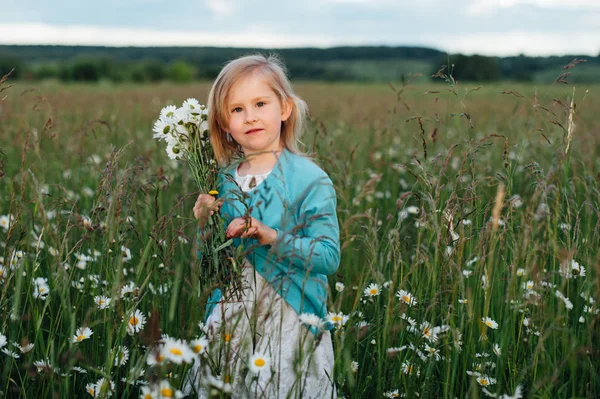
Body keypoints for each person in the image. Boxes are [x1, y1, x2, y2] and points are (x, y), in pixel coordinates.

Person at [185, 54, 340, 398]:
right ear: (224, 123)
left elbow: (328, 257)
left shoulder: (310, 180)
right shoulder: (223, 181)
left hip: (290, 318)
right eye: (236, 109)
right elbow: (209, 265)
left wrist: (271, 236)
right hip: (230, 315)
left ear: (284, 109)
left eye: (260, 103)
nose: (250, 116)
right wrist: (204, 225)